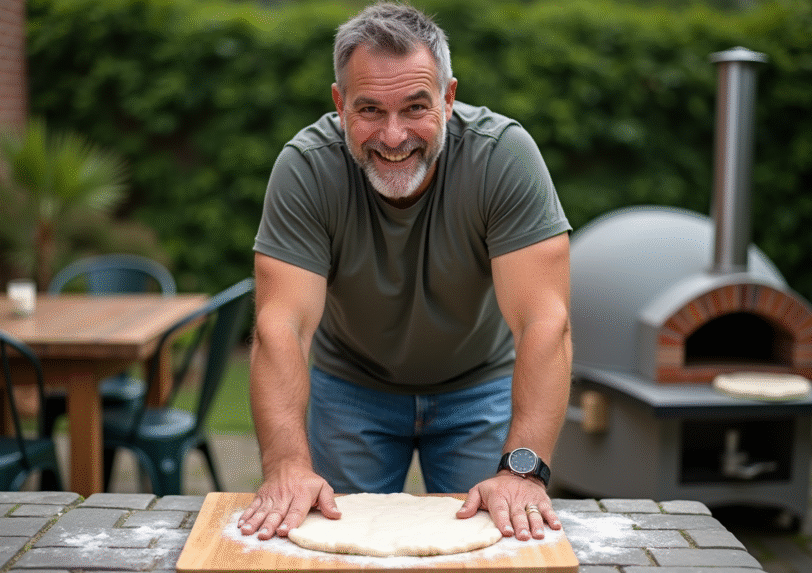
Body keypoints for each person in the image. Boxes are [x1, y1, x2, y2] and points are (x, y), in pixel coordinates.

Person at [238, 2, 572, 543]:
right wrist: (286, 465)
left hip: (478, 383)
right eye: (370, 110)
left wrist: (522, 471)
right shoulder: (306, 168)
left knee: (496, 546)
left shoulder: (504, 156)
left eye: (415, 107)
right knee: (331, 550)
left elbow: (544, 321)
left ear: (448, 97)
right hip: (351, 388)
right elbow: (281, 327)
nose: (393, 136)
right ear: (339, 104)